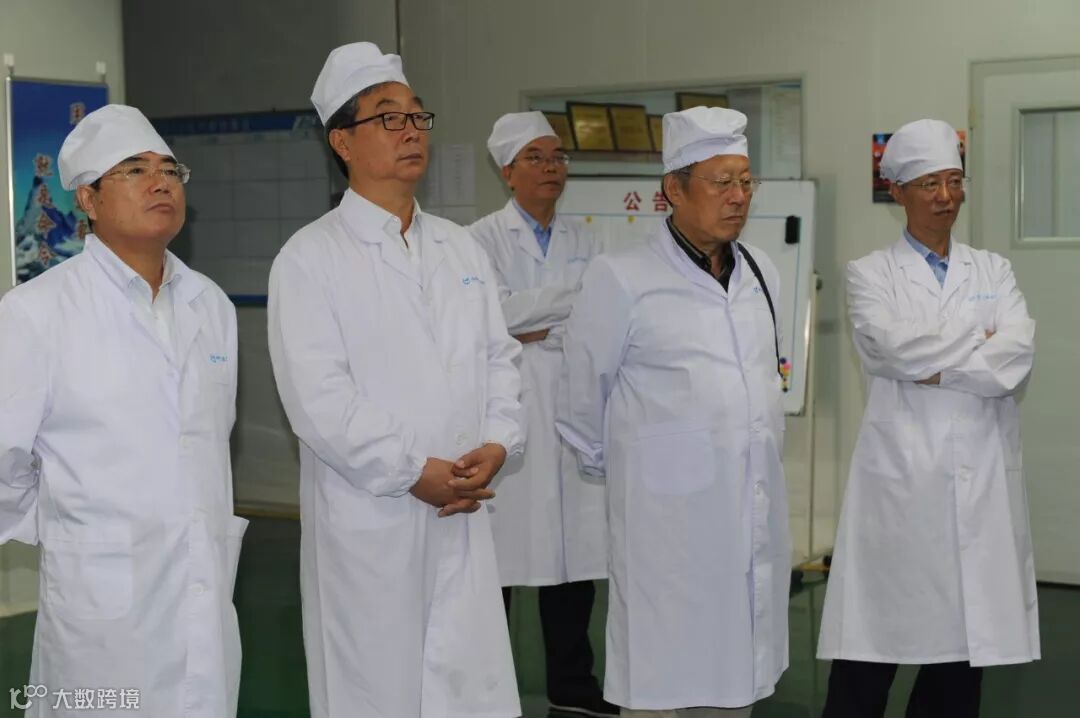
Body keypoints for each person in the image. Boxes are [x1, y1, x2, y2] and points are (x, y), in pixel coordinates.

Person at [267, 42, 524, 718]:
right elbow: (319, 401)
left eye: (417, 115)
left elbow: (500, 357)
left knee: (465, 684)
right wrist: (413, 470)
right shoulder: (309, 258)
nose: (411, 130)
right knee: (375, 688)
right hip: (371, 517)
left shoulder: (459, 247)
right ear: (342, 141)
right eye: (388, 117)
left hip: (461, 506)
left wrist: (499, 442)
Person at [0, 104, 248, 718]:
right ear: (87, 199)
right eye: (134, 170)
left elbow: (209, 441)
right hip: (100, 616)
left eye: (169, 169)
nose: (160, 182)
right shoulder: (36, 312)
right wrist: (72, 530)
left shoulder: (210, 305)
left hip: (201, 598)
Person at [557, 106, 791, 718]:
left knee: (736, 685)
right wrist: (641, 469)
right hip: (665, 531)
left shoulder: (761, 271)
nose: (738, 196)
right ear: (674, 189)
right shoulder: (622, 277)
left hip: (748, 511)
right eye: (722, 182)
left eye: (746, 181)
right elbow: (580, 400)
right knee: (664, 686)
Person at [817, 118, 1039, 718]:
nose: (945, 196)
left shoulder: (993, 270)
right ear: (899, 192)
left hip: (980, 481)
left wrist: (935, 359)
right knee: (870, 655)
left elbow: (1014, 359)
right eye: (929, 184)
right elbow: (890, 349)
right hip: (902, 485)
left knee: (960, 659)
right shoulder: (869, 273)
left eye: (954, 182)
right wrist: (977, 338)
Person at [469, 111, 613, 717]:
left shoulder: (588, 239)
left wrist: (533, 321)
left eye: (557, 157)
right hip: (509, 409)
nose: (551, 168)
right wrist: (556, 312)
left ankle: (573, 686)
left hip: (574, 407)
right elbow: (490, 317)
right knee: (498, 560)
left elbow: (602, 314)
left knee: (574, 558)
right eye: (536, 158)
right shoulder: (478, 240)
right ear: (507, 172)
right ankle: (488, 687)